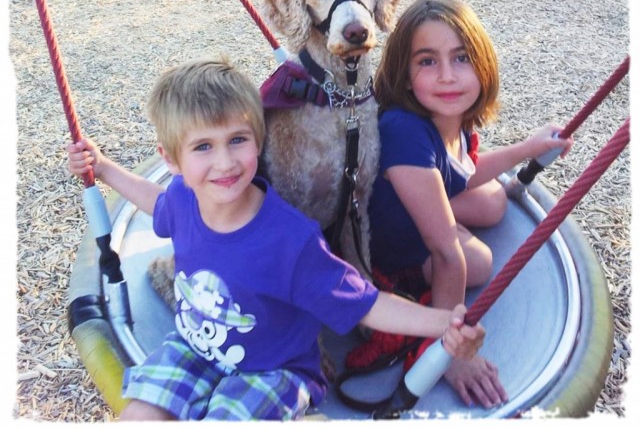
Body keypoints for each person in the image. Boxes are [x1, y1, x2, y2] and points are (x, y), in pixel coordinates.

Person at [66, 56, 487, 421]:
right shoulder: (183, 198)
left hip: (272, 371)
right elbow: (155, 202)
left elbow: (367, 303)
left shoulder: (290, 241)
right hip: (196, 348)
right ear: (171, 159)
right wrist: (103, 168)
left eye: (237, 140)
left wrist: (445, 322)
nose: (225, 163)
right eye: (203, 148)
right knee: (137, 415)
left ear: (258, 140)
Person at [368, 0, 573, 409]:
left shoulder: (449, 122)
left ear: (481, 63)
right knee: (476, 260)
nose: (447, 76)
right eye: (427, 61)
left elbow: (462, 170)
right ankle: (437, 224)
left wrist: (526, 147)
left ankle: (440, 215)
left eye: (461, 58)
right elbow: (448, 255)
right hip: (387, 253)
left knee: (493, 201)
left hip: (411, 203)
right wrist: (452, 352)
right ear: (405, 76)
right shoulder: (404, 130)